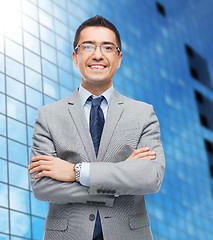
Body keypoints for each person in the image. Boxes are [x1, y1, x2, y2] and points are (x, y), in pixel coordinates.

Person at [28, 15, 165, 240]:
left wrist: (76, 172)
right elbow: (42, 186)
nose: (97, 55)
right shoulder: (48, 116)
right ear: (75, 56)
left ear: (119, 58)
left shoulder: (143, 113)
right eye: (88, 46)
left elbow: (150, 177)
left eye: (107, 47)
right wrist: (120, 177)